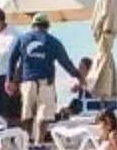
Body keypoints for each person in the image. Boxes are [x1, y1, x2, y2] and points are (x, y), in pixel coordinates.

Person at [8, 15, 85, 143]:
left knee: (27, 115)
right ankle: (39, 142)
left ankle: (28, 141)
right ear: (47, 26)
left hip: (27, 82)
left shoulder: (23, 39)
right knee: (44, 116)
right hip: (46, 83)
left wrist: (9, 79)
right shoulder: (53, 41)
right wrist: (78, 76)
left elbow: (12, 60)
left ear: (33, 25)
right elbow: (65, 62)